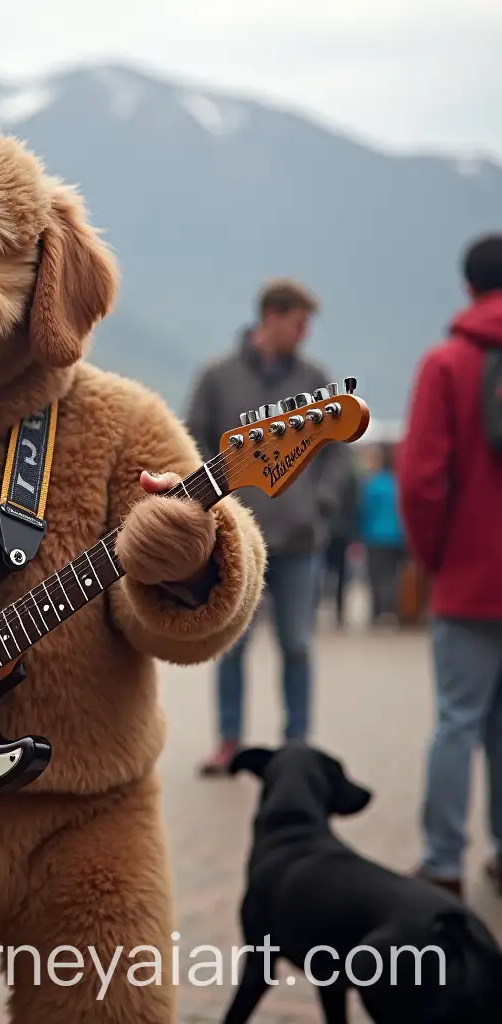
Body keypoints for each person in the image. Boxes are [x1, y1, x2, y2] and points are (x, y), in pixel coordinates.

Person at [185, 278, 347, 774]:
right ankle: (229, 742)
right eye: (300, 324)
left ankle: (296, 743)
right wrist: (210, 511)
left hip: (301, 542)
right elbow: (190, 443)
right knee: (231, 644)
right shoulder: (219, 376)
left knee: (297, 644)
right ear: (272, 318)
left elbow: (336, 452)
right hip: (236, 542)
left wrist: (320, 502)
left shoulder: (317, 378)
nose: (305, 334)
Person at [398, 233, 502, 899]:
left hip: (468, 581)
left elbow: (421, 482)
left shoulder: (447, 363)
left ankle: (442, 862)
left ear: (468, 287)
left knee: (457, 723)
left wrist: (437, 559)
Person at [359, 443, 407, 624]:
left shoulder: (372, 485)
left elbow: (365, 511)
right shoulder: (397, 484)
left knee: (376, 577)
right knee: (393, 576)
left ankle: (378, 612)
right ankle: (391, 610)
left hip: (375, 537)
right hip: (396, 537)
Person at [323, 453, 360, 628]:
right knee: (341, 574)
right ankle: (339, 613)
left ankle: (316, 611)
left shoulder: (319, 462)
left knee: (322, 571)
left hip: (329, 529)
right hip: (341, 530)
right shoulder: (350, 470)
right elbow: (355, 504)